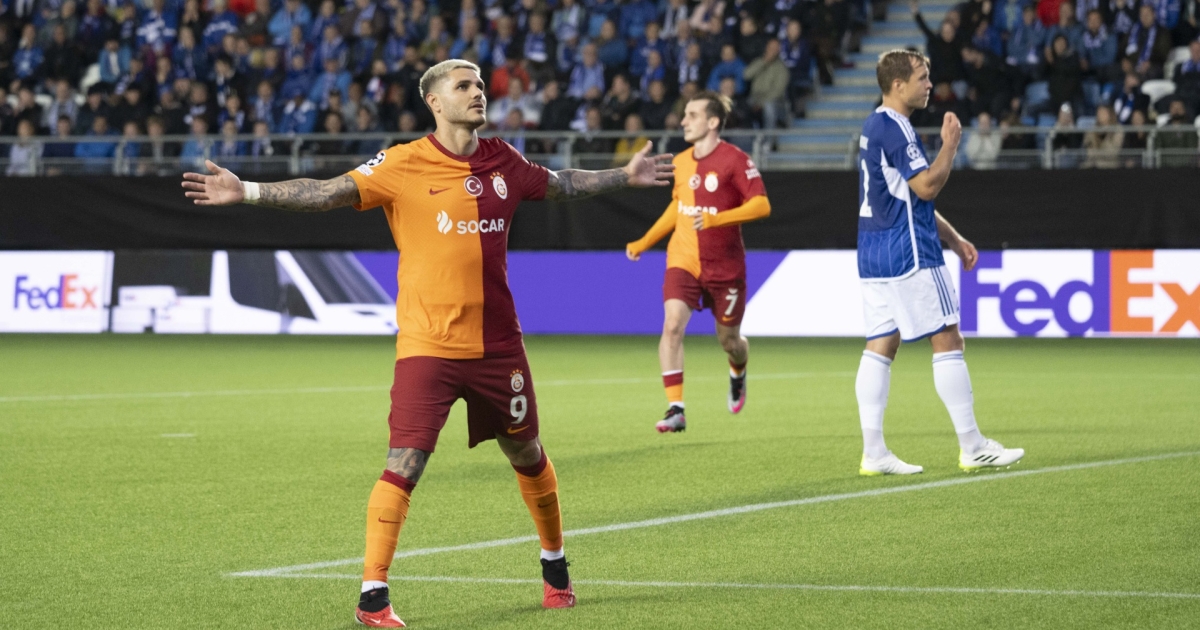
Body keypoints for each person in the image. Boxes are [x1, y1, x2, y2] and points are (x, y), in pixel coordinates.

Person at [180, 59, 674, 628]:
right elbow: (327, 192)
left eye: (480, 84)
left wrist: (624, 176)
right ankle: (372, 596)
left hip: (499, 347)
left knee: (527, 453)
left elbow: (563, 184)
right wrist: (248, 190)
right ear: (434, 102)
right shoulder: (401, 162)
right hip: (427, 346)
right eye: (464, 86)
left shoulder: (504, 161)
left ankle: (555, 564)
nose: (478, 92)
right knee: (405, 461)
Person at [854, 49, 1024, 476]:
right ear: (898, 85)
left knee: (881, 345)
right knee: (948, 339)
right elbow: (927, 188)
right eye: (922, 77)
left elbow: (906, 198)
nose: (929, 84)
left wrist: (954, 238)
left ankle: (874, 452)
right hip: (909, 252)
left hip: (873, 254)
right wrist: (949, 147)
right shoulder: (897, 129)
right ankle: (973, 446)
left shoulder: (874, 125)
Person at [624, 90, 772, 433]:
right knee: (672, 324)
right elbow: (679, 208)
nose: (683, 121)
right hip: (684, 258)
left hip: (725, 266)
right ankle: (676, 409)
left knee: (729, 341)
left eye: (692, 115)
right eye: (684, 114)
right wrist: (645, 241)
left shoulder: (735, 160)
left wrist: (718, 219)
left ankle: (738, 369)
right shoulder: (682, 162)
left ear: (713, 121)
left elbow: (761, 205)